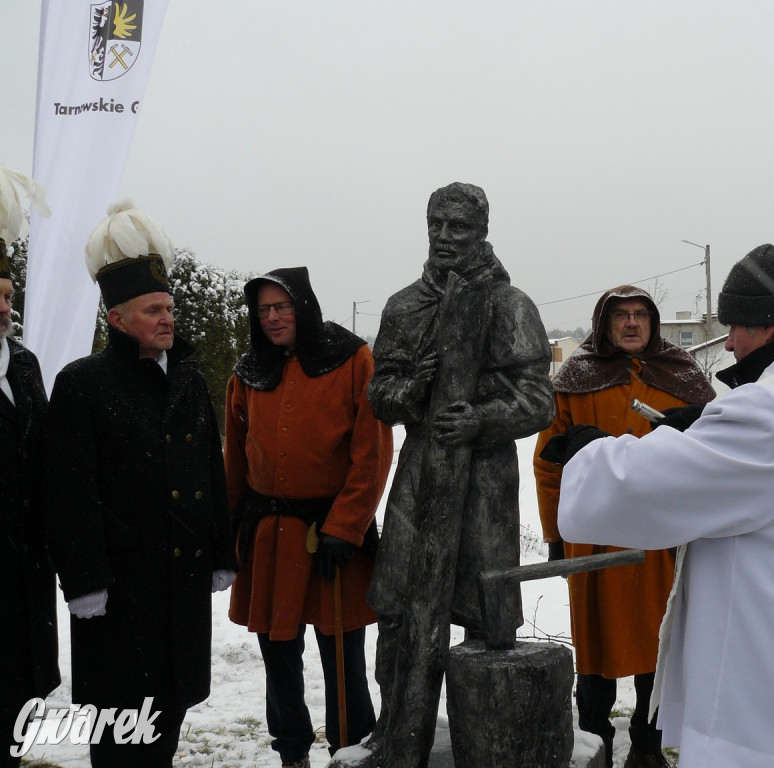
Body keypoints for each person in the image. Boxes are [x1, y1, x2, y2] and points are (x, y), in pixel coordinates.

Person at [548, 244, 774, 768]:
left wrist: (587, 449)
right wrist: (702, 426)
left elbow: (637, 488)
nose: (732, 343)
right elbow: (764, 456)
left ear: (765, 328)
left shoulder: (771, 417)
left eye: (735, 328)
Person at [365, 182, 554, 765]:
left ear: (482, 230)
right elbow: (380, 393)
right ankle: (396, 731)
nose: (445, 237)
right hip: (419, 478)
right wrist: (410, 392)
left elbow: (539, 400)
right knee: (399, 611)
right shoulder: (404, 306)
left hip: (484, 483)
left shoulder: (510, 304)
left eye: (459, 228)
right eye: (436, 225)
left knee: (485, 615)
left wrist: (483, 418)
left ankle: (488, 739)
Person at [43, 202, 236, 768]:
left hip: (179, 581)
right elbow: (68, 490)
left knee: (169, 713)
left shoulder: (189, 381)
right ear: (117, 319)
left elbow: (210, 472)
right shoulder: (83, 383)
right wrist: (83, 579)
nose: (167, 318)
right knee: (124, 727)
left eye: (170, 308)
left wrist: (221, 551)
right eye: (153, 310)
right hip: (120, 592)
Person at [533, 285, 715, 768]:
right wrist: (555, 535)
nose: (632, 324)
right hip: (596, 537)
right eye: (621, 316)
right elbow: (548, 465)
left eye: (640, 315)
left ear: (653, 323)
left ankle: (648, 746)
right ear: (604, 323)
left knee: (660, 639)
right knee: (597, 642)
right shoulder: (576, 378)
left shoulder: (684, 376)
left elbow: (716, 452)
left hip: (663, 536)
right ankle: (594, 742)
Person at [225, 267, 393, 768]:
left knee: (341, 654)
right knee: (277, 654)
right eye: (263, 310)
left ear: (304, 306)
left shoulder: (353, 359)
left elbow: (373, 450)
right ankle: (292, 751)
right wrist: (229, 529)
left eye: (282, 307)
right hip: (268, 536)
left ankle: (351, 748)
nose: (273, 318)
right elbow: (235, 455)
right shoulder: (249, 369)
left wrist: (347, 526)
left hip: (330, 536)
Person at [0, 168, 58, 768]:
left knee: (16, 704)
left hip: (23, 571)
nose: (3, 306)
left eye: (9, 296)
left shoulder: (25, 364)